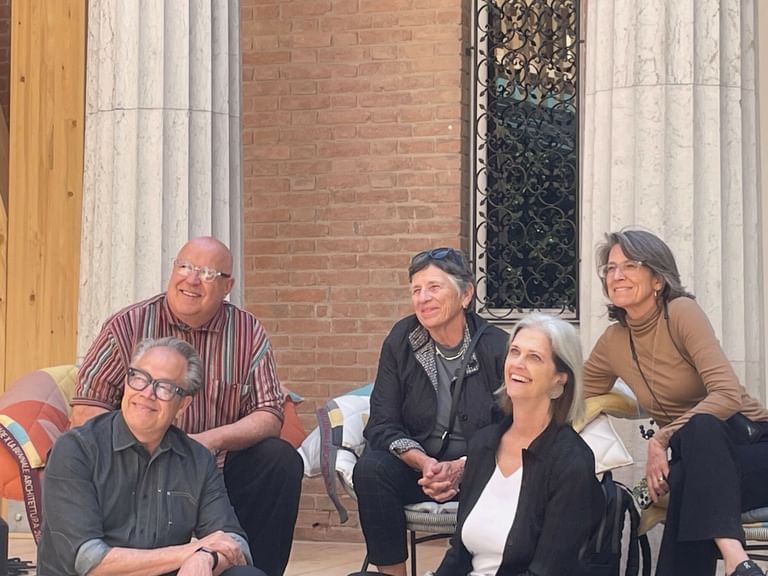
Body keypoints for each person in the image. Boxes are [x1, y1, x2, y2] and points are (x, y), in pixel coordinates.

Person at [69, 236, 302, 576]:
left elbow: (269, 413)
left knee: (279, 460)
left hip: (214, 466)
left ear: (227, 286)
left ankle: (255, 571)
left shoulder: (248, 332)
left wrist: (208, 441)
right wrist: (143, 448)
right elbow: (86, 408)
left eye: (207, 273)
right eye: (185, 267)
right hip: (136, 464)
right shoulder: (127, 325)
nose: (191, 280)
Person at [584, 229, 768, 576]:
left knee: (700, 432)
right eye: (610, 268)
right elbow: (576, 393)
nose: (617, 275)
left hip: (754, 450)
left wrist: (662, 438)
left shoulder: (681, 311)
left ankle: (732, 557)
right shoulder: (614, 341)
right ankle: (739, 563)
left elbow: (727, 393)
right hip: (703, 471)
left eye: (630, 265)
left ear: (657, 278)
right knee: (684, 479)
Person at [38, 337, 267, 576]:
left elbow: (235, 543)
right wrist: (192, 551)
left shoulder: (197, 459)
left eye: (165, 387)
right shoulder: (76, 449)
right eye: (139, 378)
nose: (147, 393)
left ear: (182, 405)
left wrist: (207, 557)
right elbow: (90, 560)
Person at [352, 247, 509, 576]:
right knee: (371, 469)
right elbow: (382, 423)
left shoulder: (498, 347)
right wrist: (425, 463)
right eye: (416, 290)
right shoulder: (402, 340)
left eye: (434, 287)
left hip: (479, 470)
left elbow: (513, 428)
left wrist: (463, 467)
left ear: (465, 294)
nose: (423, 298)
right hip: (420, 469)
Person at [433, 313, 603, 576]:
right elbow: (459, 553)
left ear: (560, 376)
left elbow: (550, 569)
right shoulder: (483, 445)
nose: (518, 364)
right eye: (515, 352)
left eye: (534, 357)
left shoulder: (571, 460)